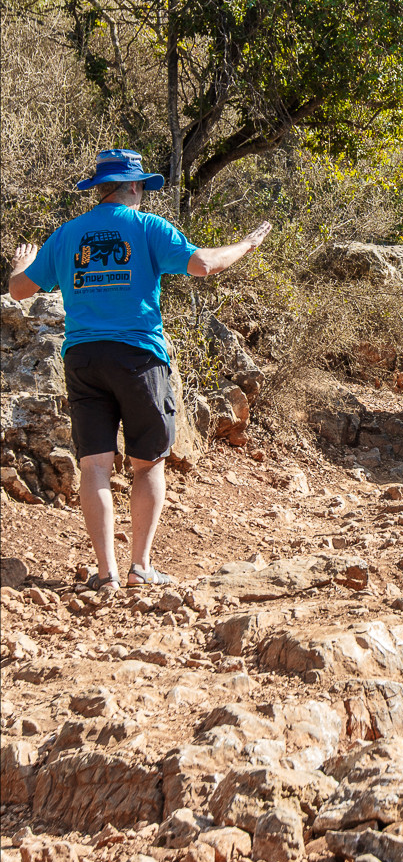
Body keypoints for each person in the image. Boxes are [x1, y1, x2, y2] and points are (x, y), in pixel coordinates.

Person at [8, 148, 272, 592]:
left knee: (94, 465)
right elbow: (204, 265)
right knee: (147, 464)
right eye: (143, 188)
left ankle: (107, 574)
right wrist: (247, 243)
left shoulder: (68, 234)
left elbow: (18, 290)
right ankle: (140, 568)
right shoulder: (148, 227)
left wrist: (20, 263)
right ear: (134, 186)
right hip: (138, 357)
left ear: (99, 187)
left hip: (83, 359)